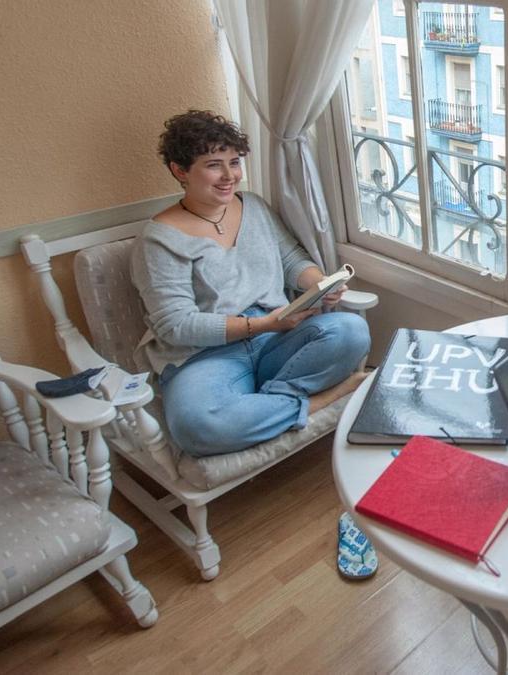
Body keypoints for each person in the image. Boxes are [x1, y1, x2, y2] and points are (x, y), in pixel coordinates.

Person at [131, 110, 371, 458]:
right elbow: (175, 325)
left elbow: (291, 260)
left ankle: (263, 401)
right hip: (206, 356)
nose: (230, 176)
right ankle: (324, 397)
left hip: (276, 337)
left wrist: (321, 284)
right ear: (180, 170)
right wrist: (263, 323)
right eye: (214, 164)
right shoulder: (158, 240)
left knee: (351, 331)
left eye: (235, 162)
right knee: (198, 426)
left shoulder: (254, 207)